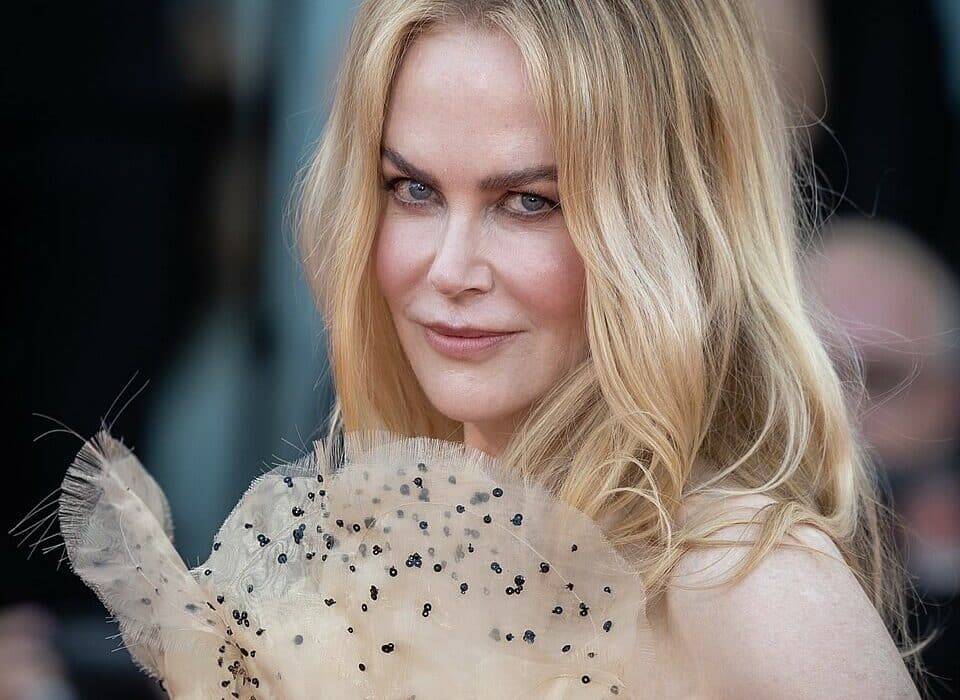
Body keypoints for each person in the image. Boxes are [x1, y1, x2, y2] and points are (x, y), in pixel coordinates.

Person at [295, 0, 922, 696]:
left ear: (664, 228)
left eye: (528, 201)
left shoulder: (745, 578)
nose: (449, 269)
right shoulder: (400, 528)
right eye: (414, 190)